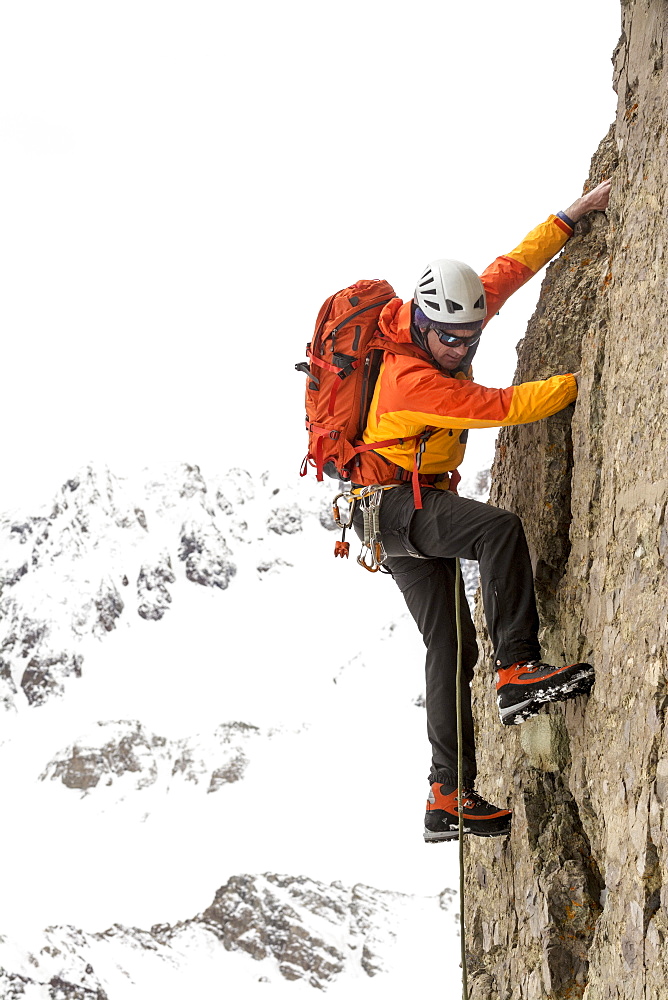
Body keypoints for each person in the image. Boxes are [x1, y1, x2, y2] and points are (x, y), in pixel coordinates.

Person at [352, 179, 611, 842]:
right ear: (422, 323)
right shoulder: (410, 380)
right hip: (399, 510)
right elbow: (502, 408)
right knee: (498, 530)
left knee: (451, 643)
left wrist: (567, 218)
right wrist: (592, 375)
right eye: (453, 341)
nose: (463, 350)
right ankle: (519, 670)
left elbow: (505, 271)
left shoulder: (445, 323)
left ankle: (447, 794)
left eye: (471, 337)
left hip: (389, 520)